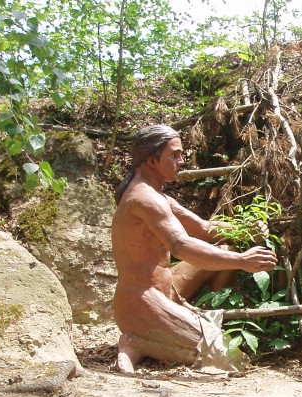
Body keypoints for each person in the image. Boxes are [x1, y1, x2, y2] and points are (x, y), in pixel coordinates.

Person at [111, 124, 277, 374]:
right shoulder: (144, 199)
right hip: (141, 303)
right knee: (229, 357)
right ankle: (137, 342)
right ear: (152, 160)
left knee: (224, 248)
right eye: (174, 155)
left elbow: (203, 227)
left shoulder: (159, 197)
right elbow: (181, 245)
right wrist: (241, 260)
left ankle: (190, 322)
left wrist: (244, 230)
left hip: (166, 290)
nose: (181, 161)